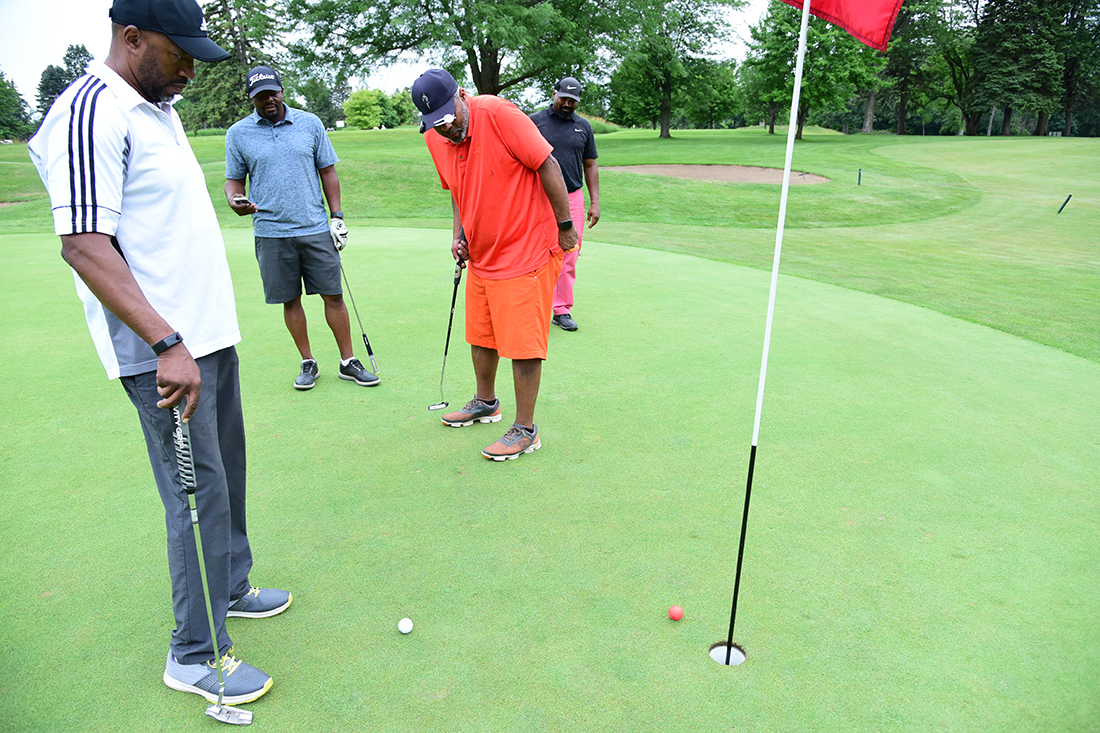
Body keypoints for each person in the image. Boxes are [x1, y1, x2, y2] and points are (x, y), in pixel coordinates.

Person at [28, 0, 289, 707]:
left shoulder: (155, 107)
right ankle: (194, 654)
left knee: (226, 472)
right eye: (179, 56)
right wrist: (166, 342)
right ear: (133, 37)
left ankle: (228, 586)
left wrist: (196, 337)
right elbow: (85, 244)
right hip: (164, 352)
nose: (189, 72)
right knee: (196, 495)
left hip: (206, 335)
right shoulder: (90, 111)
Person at [411, 69, 579, 461]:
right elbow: (457, 190)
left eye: (448, 118)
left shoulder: (499, 114)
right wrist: (459, 235)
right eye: (435, 124)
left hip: (527, 247)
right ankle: (486, 402)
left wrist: (565, 226)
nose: (446, 129)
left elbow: (548, 165)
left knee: (522, 345)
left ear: (461, 95)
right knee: (481, 334)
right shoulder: (436, 136)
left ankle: (526, 429)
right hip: (484, 252)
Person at [225, 65, 379, 391]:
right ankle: (308, 361)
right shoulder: (238, 134)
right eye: (260, 96)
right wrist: (235, 199)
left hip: (314, 226)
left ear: (282, 90)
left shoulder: (309, 123)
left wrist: (337, 216)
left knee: (333, 295)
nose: (268, 100)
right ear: (252, 99)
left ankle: (348, 361)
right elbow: (234, 181)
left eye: (273, 93)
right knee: (290, 300)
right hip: (270, 231)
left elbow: (328, 172)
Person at [529, 76, 601, 332]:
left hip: (572, 197)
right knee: (534, 251)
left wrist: (595, 202)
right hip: (538, 196)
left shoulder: (583, 127)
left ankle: (561, 310)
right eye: (564, 98)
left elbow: (590, 164)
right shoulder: (534, 122)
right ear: (554, 94)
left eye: (573, 100)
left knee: (569, 253)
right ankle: (532, 305)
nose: (568, 104)